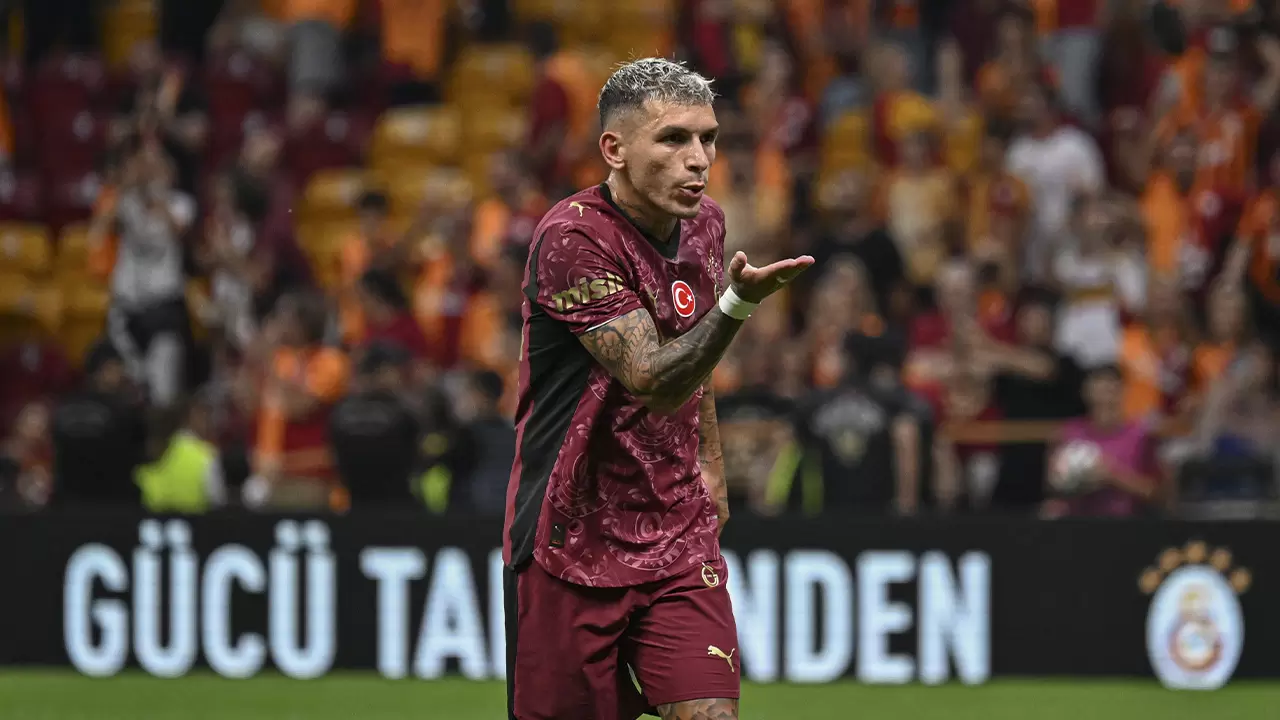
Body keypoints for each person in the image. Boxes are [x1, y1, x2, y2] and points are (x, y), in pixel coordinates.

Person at [503, 58, 813, 720]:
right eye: (673, 139)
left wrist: (711, 464)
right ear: (614, 149)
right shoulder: (572, 238)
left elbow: (693, 357)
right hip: (570, 536)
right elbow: (652, 377)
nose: (698, 159)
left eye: (708, 138)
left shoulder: (706, 226)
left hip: (675, 530)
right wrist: (736, 305)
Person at [48, 342, 147, 507]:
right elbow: (137, 454)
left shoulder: (64, 406)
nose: (121, 373)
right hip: (111, 501)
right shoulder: (124, 411)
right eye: (115, 367)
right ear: (99, 371)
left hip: (69, 502)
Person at [329, 342, 420, 508]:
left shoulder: (342, 408)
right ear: (379, 372)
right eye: (395, 370)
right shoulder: (402, 409)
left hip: (359, 502)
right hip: (388, 500)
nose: (399, 377)